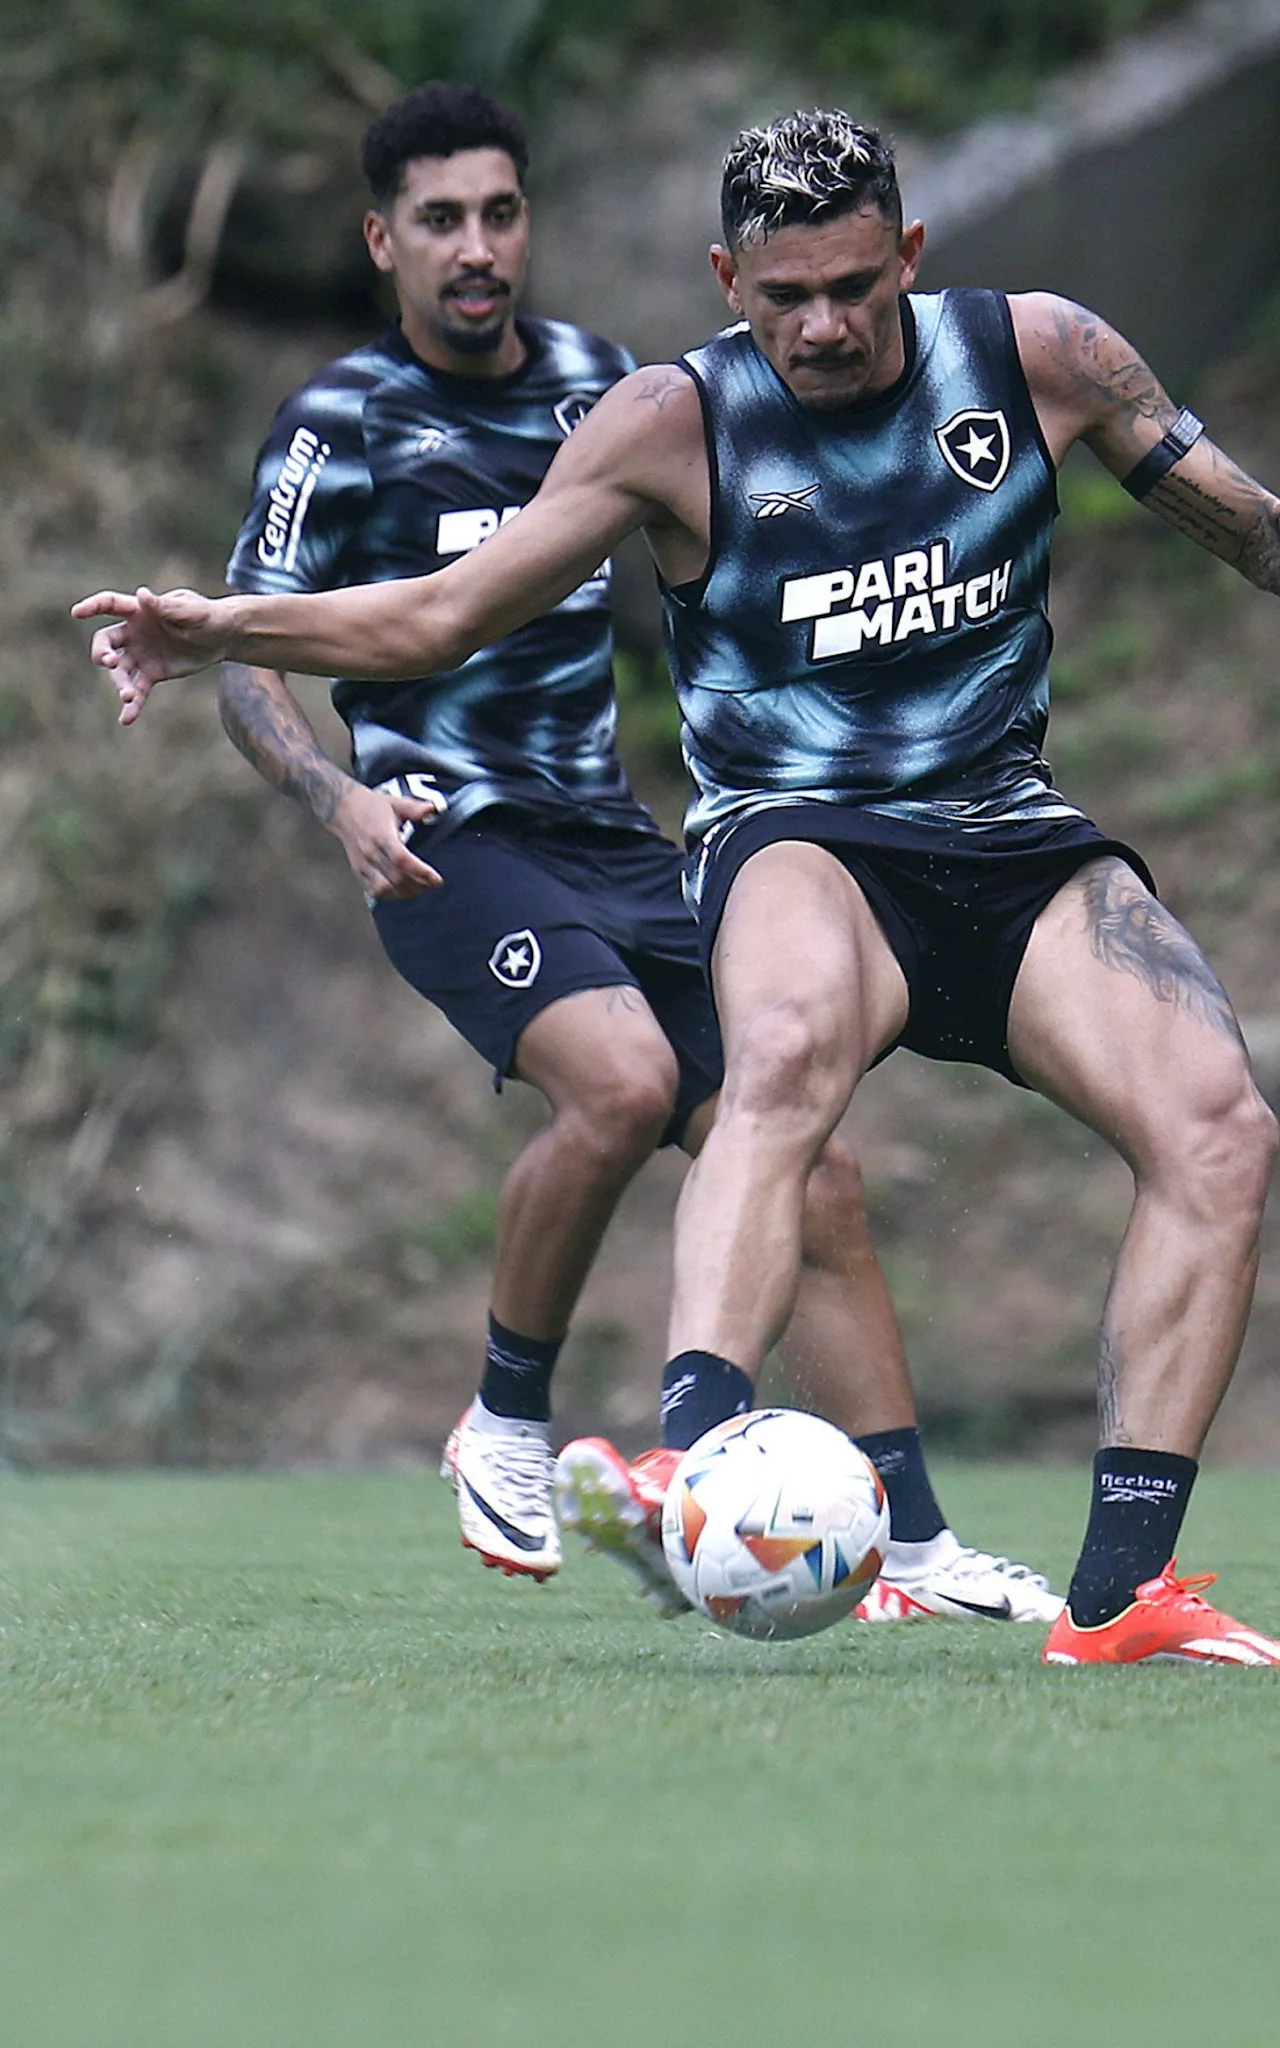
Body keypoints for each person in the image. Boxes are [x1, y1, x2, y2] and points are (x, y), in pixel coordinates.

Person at [74, 105, 1280, 1663]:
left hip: (1013, 837)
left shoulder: (1038, 356)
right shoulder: (668, 422)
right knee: (770, 1062)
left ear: (909, 254)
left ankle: (1120, 1597)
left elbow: (1246, 527)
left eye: (856, 285)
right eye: (784, 297)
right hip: (802, 835)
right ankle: (693, 1448)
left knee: (1221, 1125)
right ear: (726, 279)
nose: (825, 325)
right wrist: (221, 627)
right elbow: (441, 616)